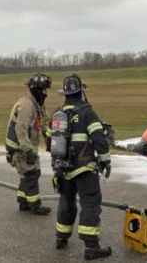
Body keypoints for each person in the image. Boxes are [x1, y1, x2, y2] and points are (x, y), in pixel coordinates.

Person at [51, 73, 112, 260]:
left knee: (66, 202)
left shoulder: (58, 114)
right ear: (81, 92)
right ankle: (92, 247)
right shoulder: (87, 112)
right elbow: (99, 139)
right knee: (90, 203)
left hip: (63, 168)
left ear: (65, 94)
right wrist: (106, 161)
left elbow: (49, 142)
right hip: (84, 169)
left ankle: (61, 238)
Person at [5, 73, 53, 215]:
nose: (46, 93)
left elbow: (44, 124)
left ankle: (23, 202)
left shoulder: (37, 105)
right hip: (20, 149)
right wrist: (28, 151)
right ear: (36, 89)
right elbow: (21, 130)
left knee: (29, 175)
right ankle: (35, 206)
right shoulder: (27, 106)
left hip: (26, 147)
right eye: (44, 90)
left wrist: (49, 138)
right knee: (31, 175)